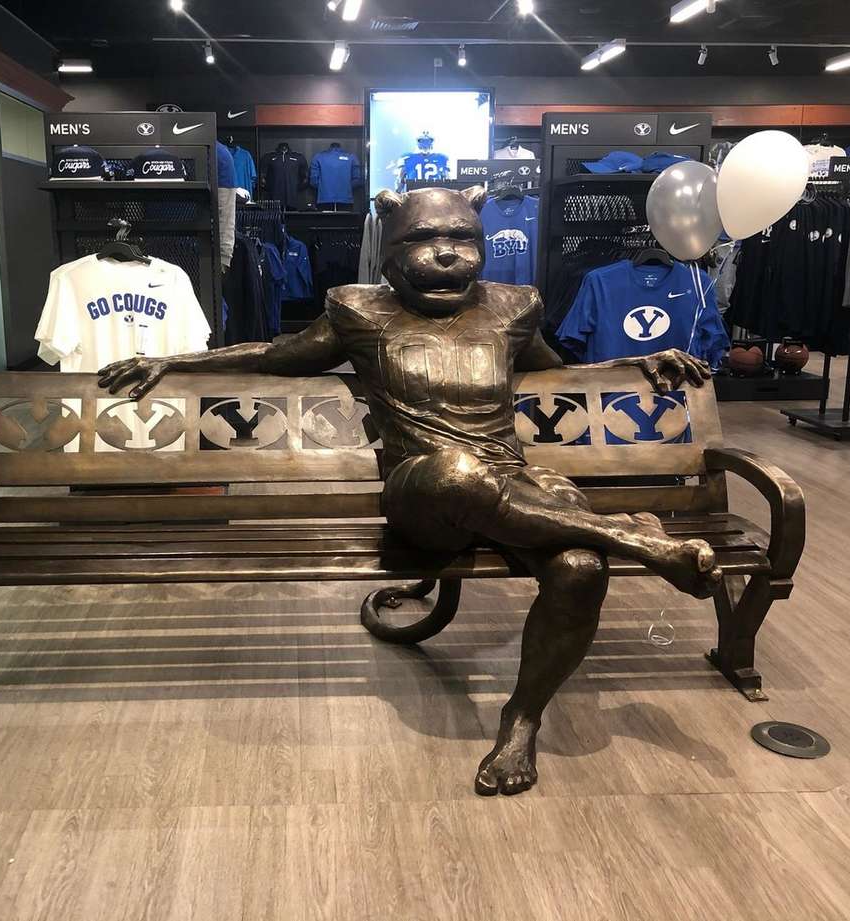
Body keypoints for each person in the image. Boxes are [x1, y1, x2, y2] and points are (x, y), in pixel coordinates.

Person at [99, 186, 721, 797]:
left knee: (582, 568)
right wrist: (176, 362)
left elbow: (551, 369)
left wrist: (636, 364)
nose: (446, 253)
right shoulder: (358, 311)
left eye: (461, 238)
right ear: (389, 245)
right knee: (455, 469)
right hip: (423, 491)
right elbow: (277, 355)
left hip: (512, 482)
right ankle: (634, 537)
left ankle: (522, 718)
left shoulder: (513, 307)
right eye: (423, 239)